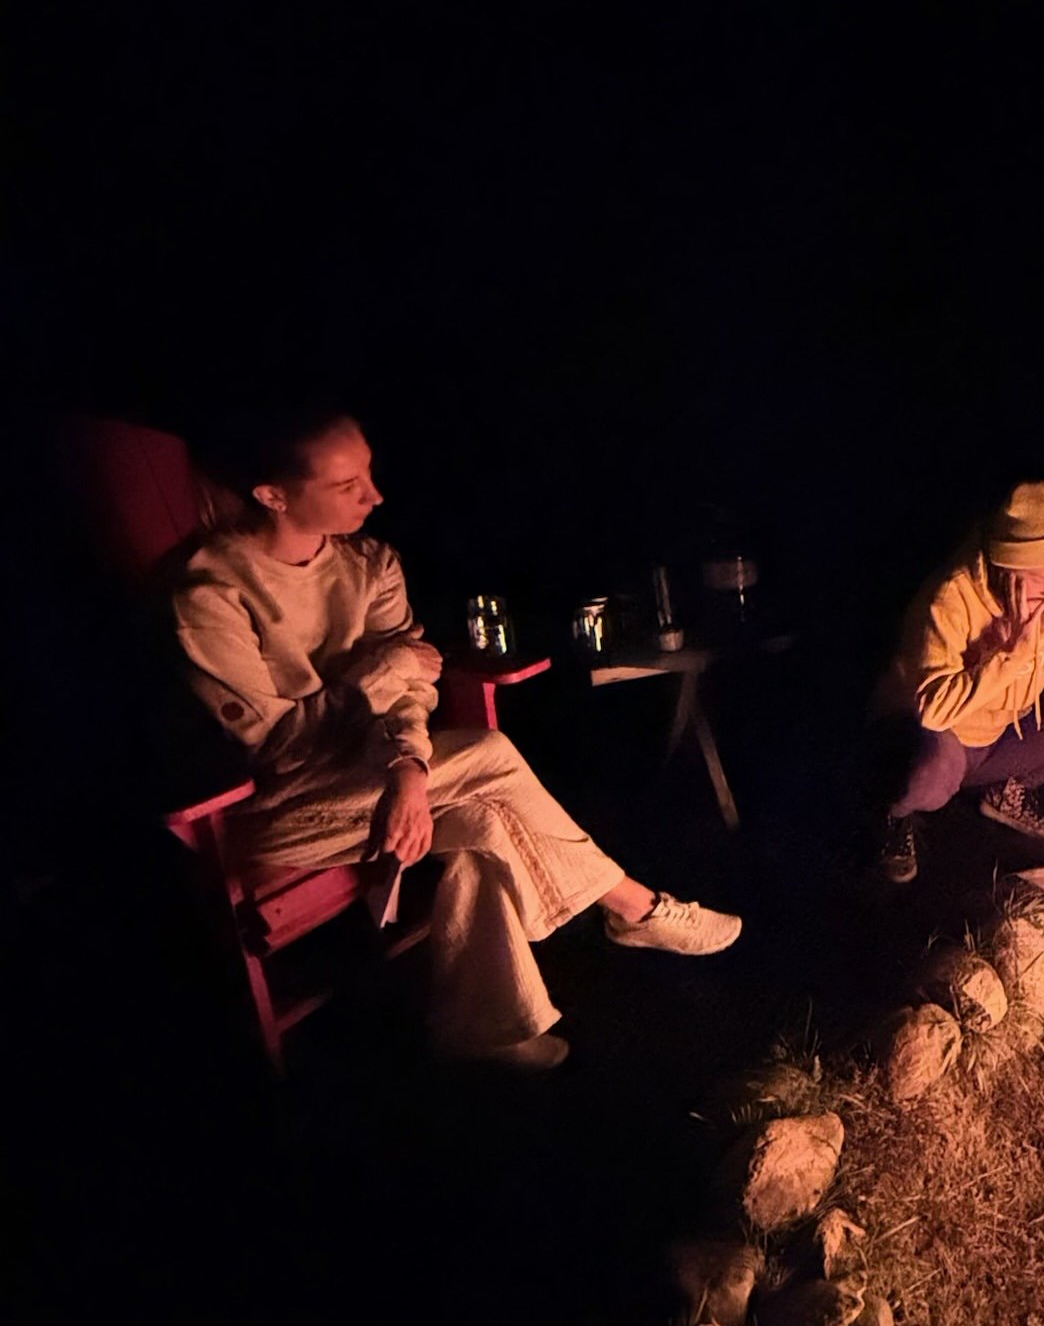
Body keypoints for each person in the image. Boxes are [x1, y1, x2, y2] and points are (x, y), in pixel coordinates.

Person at [171, 404, 740, 1071]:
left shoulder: (371, 565)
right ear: (272, 495)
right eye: (345, 484)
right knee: (489, 755)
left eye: (370, 473)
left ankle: (488, 1029)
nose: (374, 495)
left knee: (485, 824)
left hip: (383, 776)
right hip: (276, 810)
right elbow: (277, 746)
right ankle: (635, 907)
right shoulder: (211, 593)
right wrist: (385, 673)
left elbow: (413, 691)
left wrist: (409, 765)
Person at [872, 480, 1044, 883]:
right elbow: (933, 709)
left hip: (1001, 732)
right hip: (944, 737)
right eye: (1039, 581)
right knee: (923, 775)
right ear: (1004, 568)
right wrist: (1010, 655)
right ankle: (893, 816)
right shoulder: (950, 597)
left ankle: (1003, 792)